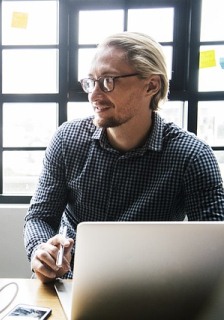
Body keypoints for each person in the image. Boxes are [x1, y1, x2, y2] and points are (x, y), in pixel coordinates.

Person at [24, 31, 224, 284]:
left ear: (151, 85)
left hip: (150, 289)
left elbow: (214, 246)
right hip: (69, 281)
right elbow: (40, 216)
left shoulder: (191, 156)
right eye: (91, 82)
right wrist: (40, 250)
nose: (94, 95)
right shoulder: (67, 140)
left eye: (108, 81)